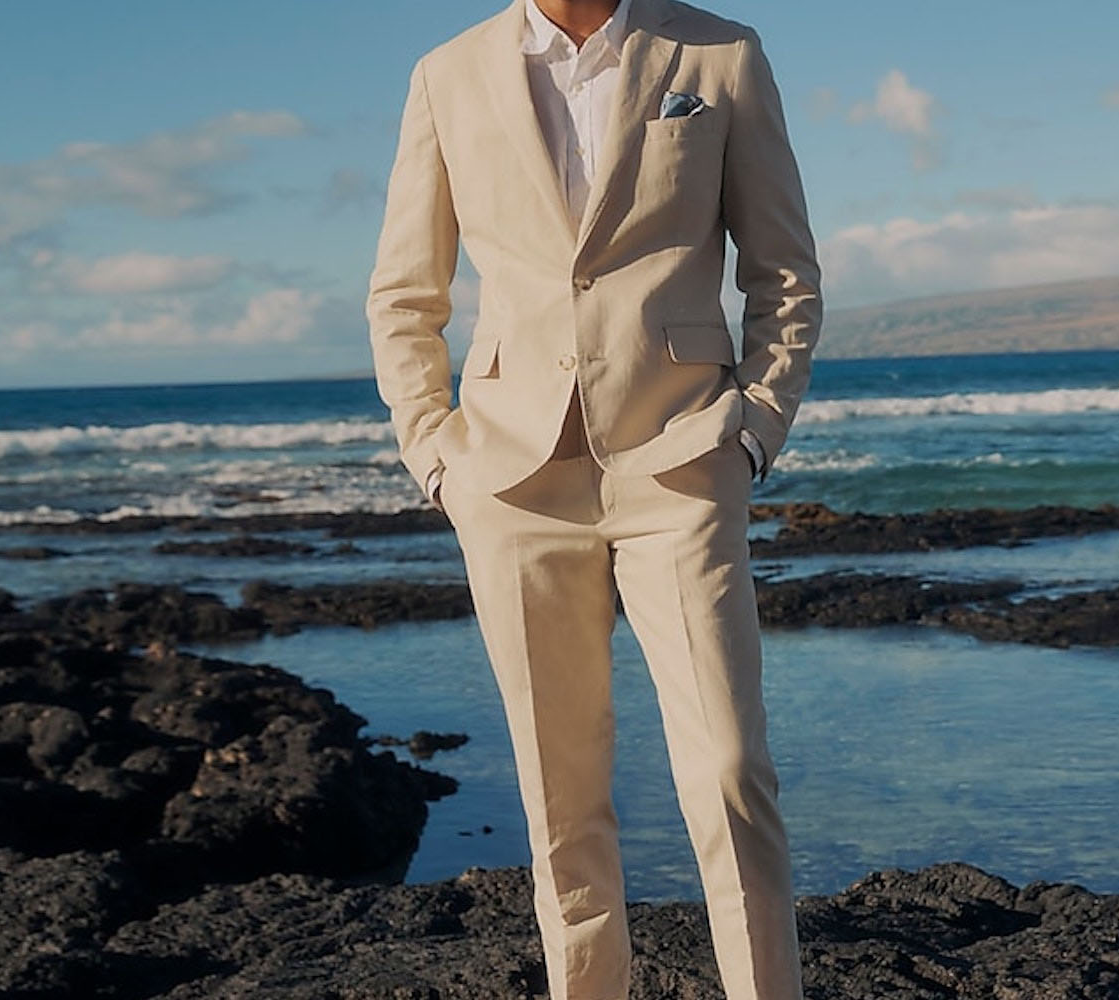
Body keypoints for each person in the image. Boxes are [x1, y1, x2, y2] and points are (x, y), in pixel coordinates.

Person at [365, 0, 821, 995]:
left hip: (681, 461)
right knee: (559, 799)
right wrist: (434, 451)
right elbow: (406, 294)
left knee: (732, 772)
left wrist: (753, 430)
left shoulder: (719, 55)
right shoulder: (447, 75)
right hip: (512, 479)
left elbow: (784, 274)